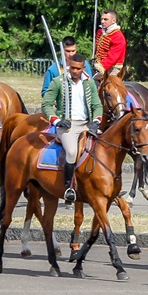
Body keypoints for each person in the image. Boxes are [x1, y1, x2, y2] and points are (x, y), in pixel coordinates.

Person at [41, 52, 103, 204]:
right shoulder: (58, 82)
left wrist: (96, 120)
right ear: (69, 66)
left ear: (83, 68)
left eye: (78, 69)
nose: (75, 71)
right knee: (72, 152)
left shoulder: (89, 83)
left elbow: (97, 105)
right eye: (72, 68)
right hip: (68, 126)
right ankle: (69, 188)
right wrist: (56, 121)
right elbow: (46, 104)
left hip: (86, 123)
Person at [93, 10, 127, 79]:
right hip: (99, 65)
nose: (102, 21)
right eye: (102, 19)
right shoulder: (100, 32)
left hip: (113, 68)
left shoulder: (118, 36)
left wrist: (101, 66)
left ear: (113, 20)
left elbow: (113, 56)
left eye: (106, 19)